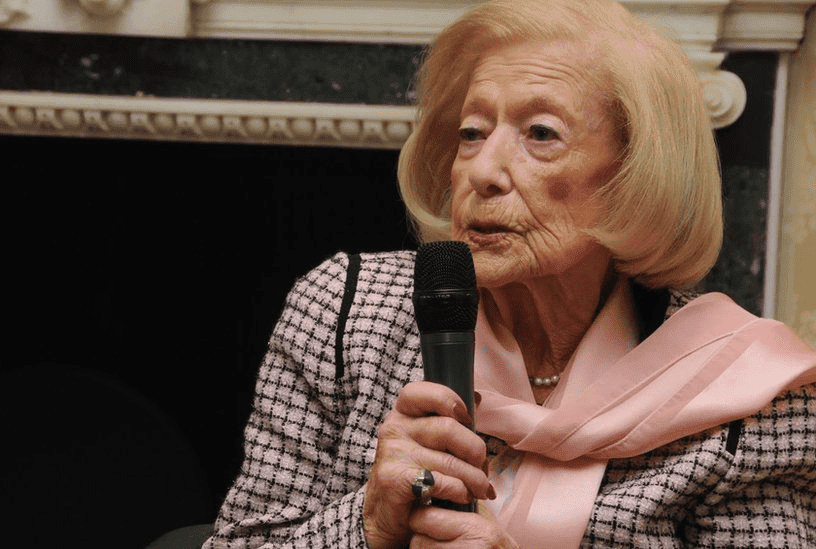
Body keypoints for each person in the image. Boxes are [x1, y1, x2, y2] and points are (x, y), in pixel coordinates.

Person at [202, 0, 816, 547]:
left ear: (636, 175)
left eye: (540, 134)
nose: (482, 171)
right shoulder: (345, 314)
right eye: (471, 133)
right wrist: (367, 526)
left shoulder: (745, 399)